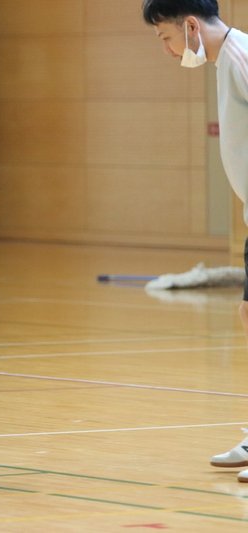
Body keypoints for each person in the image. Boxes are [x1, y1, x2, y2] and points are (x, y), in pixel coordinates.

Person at [142, 0, 248, 482]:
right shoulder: (226, 61)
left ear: (189, 25)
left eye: (165, 37)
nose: (166, 49)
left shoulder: (241, 57)